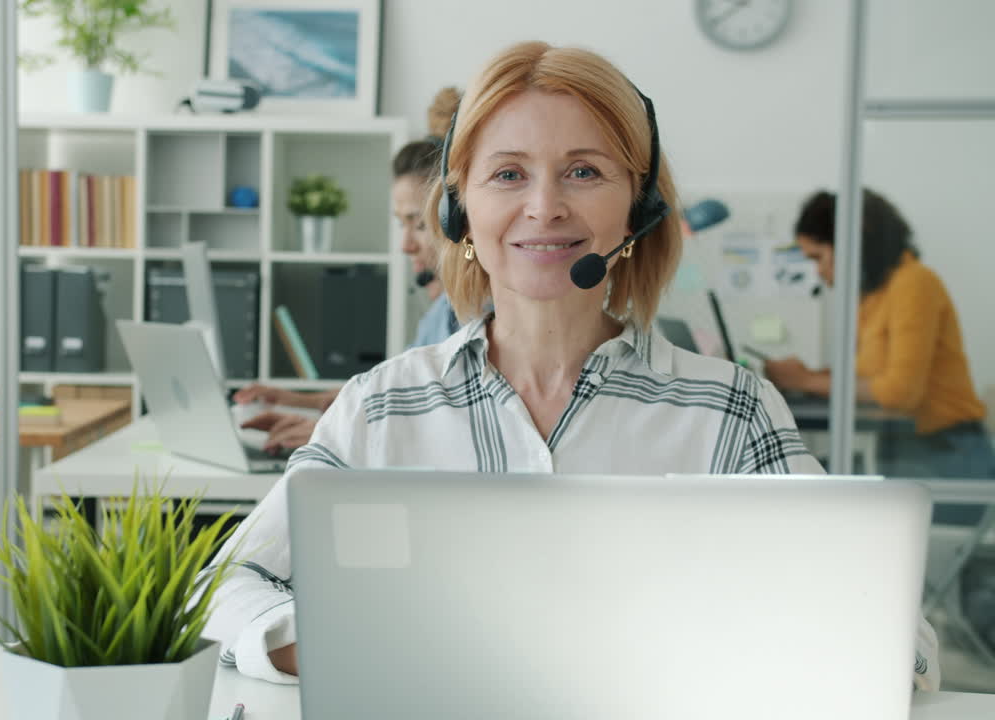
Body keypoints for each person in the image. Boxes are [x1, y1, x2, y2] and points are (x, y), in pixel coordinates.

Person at [203, 42, 939, 690]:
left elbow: (901, 639)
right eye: (508, 175)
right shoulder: (382, 407)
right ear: (460, 212)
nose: (545, 207)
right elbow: (225, 586)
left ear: (640, 207)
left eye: (584, 171)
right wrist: (352, 641)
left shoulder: (731, 412)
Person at [233, 88, 463, 452]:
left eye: (418, 224)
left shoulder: (472, 321)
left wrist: (332, 435)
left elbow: (436, 431)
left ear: (458, 222)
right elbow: (387, 397)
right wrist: (299, 402)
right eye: (400, 224)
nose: (405, 245)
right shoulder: (440, 315)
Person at [764, 189, 994, 483]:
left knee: (803, 484)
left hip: (950, 455)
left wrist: (805, 381)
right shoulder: (874, 296)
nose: (819, 272)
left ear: (851, 245)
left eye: (818, 257)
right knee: (800, 478)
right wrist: (808, 374)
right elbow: (870, 377)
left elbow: (900, 392)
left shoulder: (914, 284)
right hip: (909, 450)